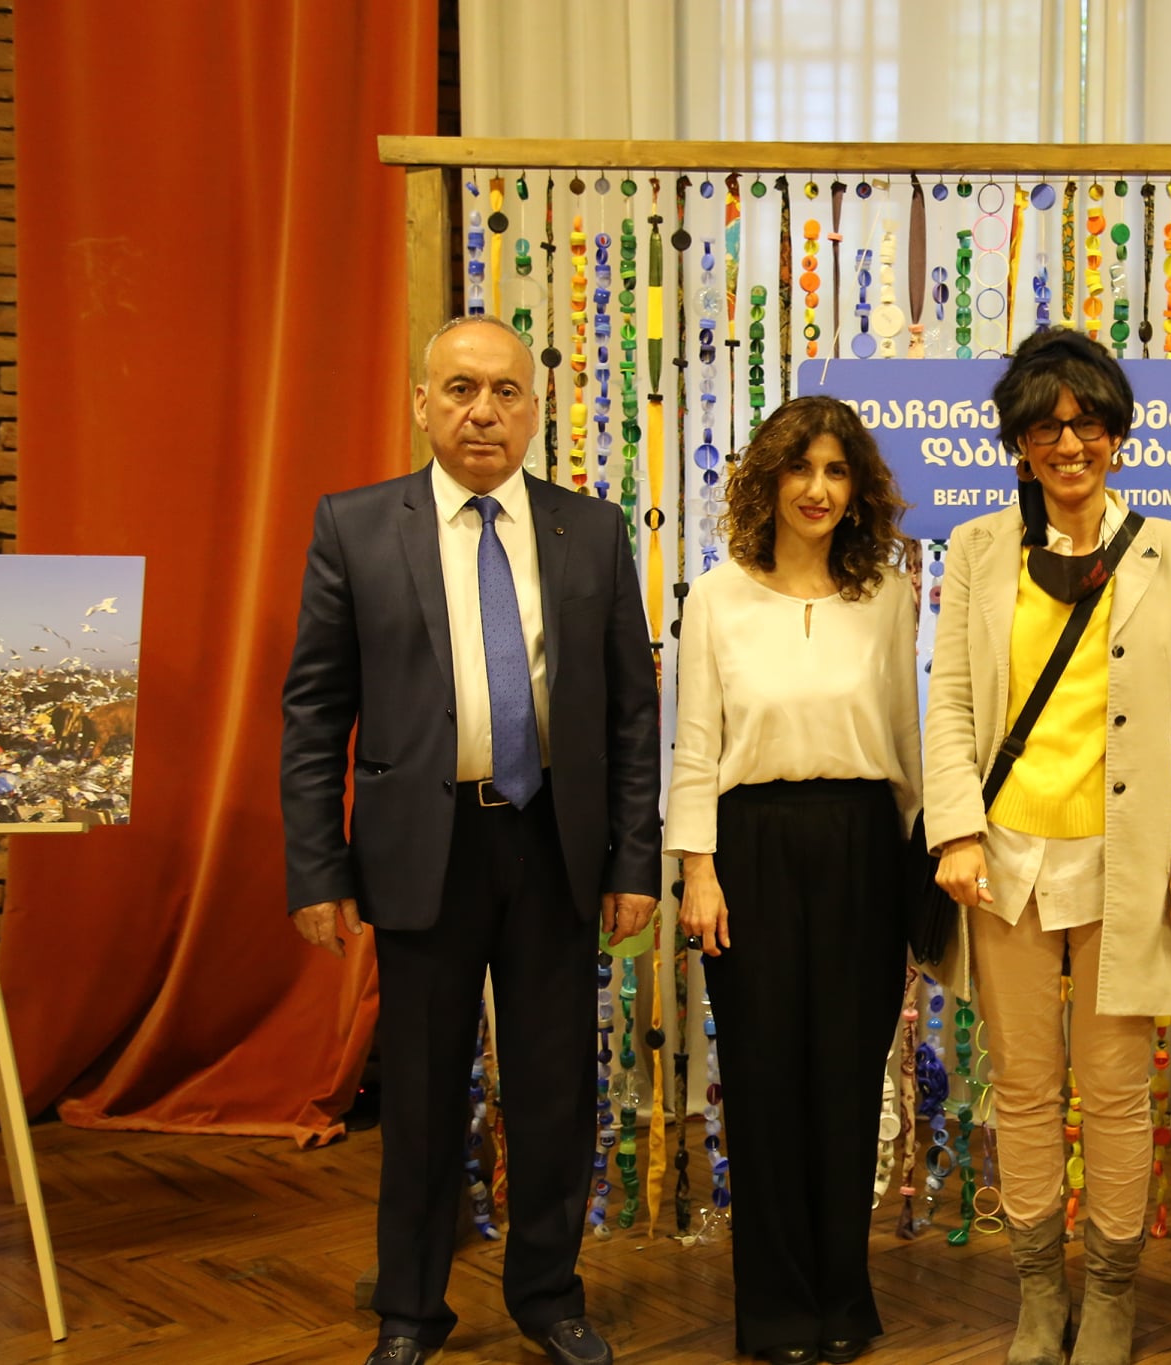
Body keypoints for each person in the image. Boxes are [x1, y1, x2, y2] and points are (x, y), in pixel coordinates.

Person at [281, 314, 663, 1365]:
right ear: (421, 403)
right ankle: (410, 1311)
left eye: (503, 391)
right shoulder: (356, 526)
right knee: (417, 1095)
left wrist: (634, 858)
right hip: (423, 850)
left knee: (553, 1095)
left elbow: (632, 714)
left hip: (552, 846)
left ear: (535, 410)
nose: (481, 411)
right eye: (458, 389)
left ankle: (549, 1298)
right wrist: (316, 867)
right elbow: (314, 712)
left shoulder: (591, 531)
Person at [923, 327, 1171, 1365]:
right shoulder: (976, 548)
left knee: (1116, 1089)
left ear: (1117, 435)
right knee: (1020, 1086)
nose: (1068, 443)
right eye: (1045, 426)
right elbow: (951, 704)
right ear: (1018, 444)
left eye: (1087, 422)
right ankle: (1039, 1293)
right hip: (1005, 857)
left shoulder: (1169, 549)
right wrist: (956, 830)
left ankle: (1112, 1296)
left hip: (1123, 861)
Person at [665, 395, 921, 1365]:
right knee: (765, 1080)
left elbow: (905, 740)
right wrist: (698, 869)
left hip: (864, 845)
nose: (818, 489)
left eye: (837, 471)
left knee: (848, 1083)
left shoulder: (886, 596)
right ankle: (775, 1312)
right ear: (768, 479)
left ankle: (842, 1300)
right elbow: (695, 745)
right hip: (749, 849)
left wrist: (920, 868)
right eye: (801, 468)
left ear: (857, 490)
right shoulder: (716, 597)